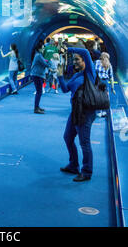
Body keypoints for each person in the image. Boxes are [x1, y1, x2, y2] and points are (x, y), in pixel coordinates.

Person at [57, 46, 97, 182]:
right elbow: (65, 89)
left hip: (86, 113)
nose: (75, 62)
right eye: (74, 60)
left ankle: (86, 171)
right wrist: (60, 76)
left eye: (78, 60)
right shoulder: (75, 75)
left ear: (85, 61)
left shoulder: (90, 73)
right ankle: (73, 165)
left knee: (84, 142)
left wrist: (68, 48)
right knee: (68, 137)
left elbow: (85, 52)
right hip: (75, 111)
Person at [30, 41, 50, 114]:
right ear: (39, 48)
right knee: (39, 91)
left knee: (39, 91)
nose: (43, 49)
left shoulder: (39, 55)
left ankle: (37, 106)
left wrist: (46, 61)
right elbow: (45, 64)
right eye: (42, 47)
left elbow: (44, 61)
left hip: (38, 74)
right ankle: (36, 108)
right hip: (37, 75)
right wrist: (49, 62)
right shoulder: (38, 55)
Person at [95, 52, 115, 117]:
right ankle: (104, 112)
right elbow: (111, 77)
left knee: (97, 96)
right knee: (105, 97)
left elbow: (93, 72)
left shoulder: (96, 62)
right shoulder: (109, 65)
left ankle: (98, 112)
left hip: (98, 81)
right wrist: (112, 88)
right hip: (105, 82)